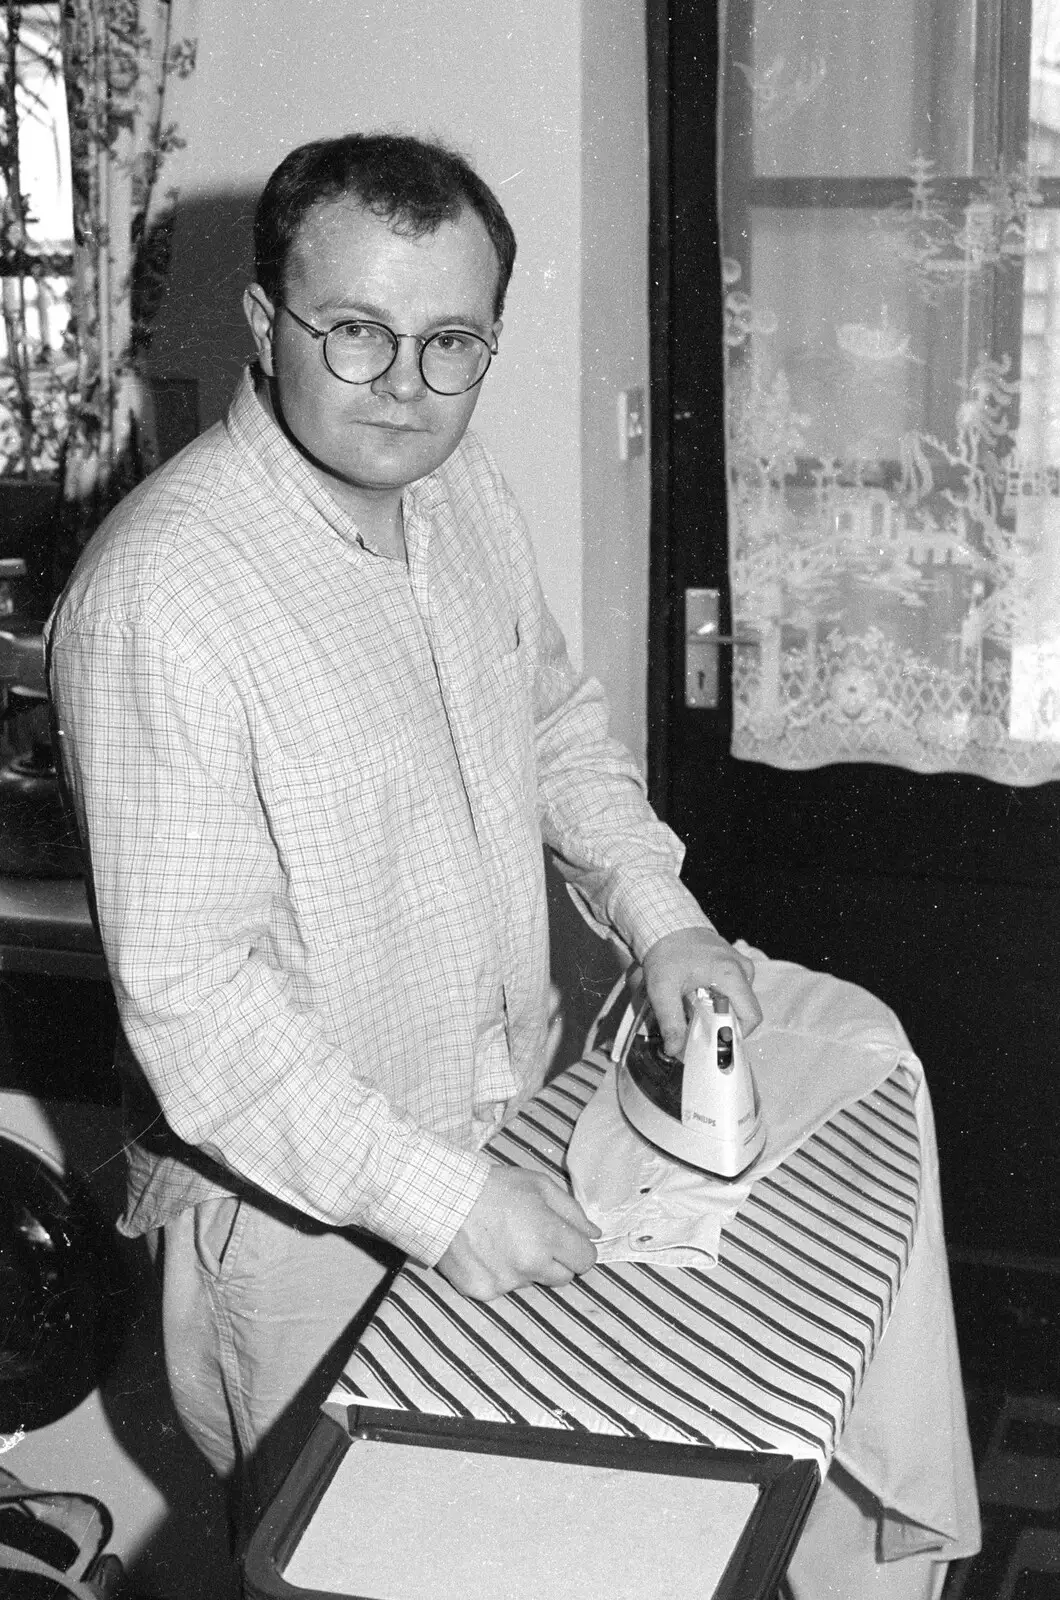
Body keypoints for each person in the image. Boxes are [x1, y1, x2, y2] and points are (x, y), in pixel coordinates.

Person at [46, 131, 760, 1538]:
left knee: (523, 1541)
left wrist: (661, 913)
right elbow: (197, 1015)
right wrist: (444, 1203)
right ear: (265, 325)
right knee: (368, 1560)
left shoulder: (463, 494)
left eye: (453, 344)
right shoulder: (162, 596)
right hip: (301, 1218)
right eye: (357, 334)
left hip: (498, 1125)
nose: (407, 389)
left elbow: (554, 726)